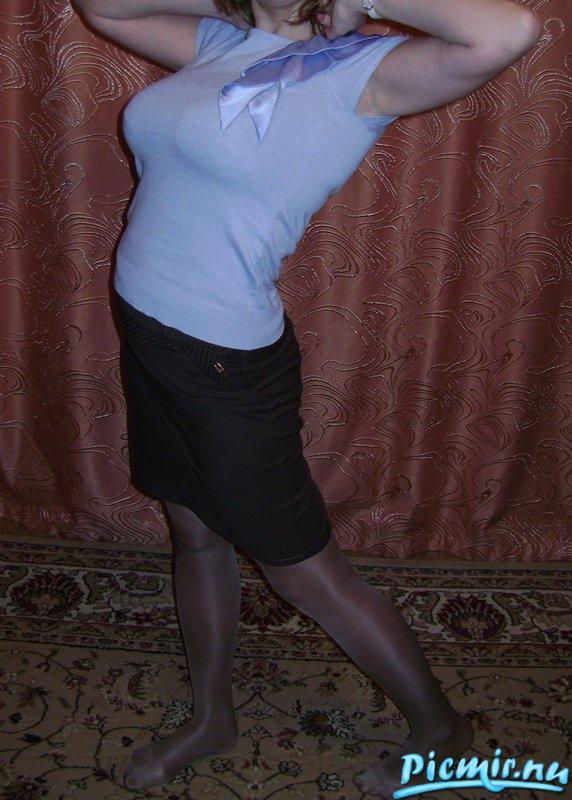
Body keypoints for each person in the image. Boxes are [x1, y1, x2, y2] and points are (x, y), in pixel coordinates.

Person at [73, 0, 540, 794]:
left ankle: (444, 732)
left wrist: (351, 1)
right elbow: (105, 4)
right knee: (195, 533)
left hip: (225, 365)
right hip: (150, 337)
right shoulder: (221, 40)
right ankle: (211, 718)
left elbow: (510, 32)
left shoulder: (363, 74)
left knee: (303, 571)